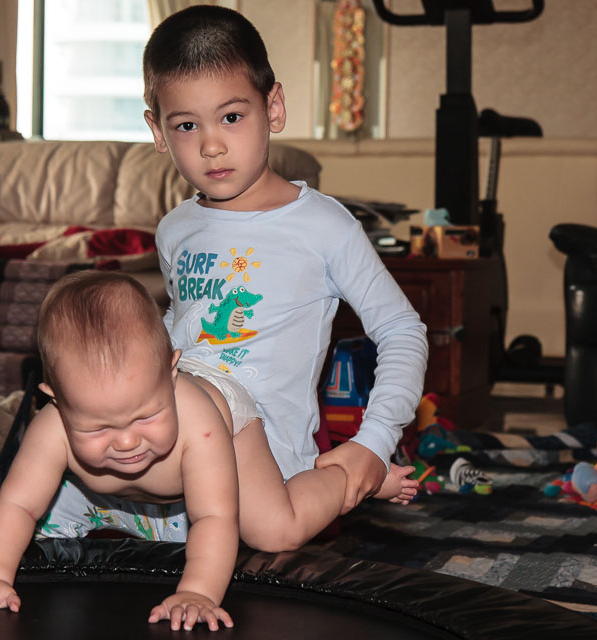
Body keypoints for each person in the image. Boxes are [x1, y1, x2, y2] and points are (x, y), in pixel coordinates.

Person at [0, 270, 415, 629]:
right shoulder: (51, 428)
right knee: (44, 532)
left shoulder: (197, 423)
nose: (127, 441)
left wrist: (198, 593)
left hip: (224, 414)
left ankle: (354, 477)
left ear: (171, 372)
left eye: (145, 417)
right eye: (98, 426)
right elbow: (15, 505)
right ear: (55, 401)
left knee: (274, 528)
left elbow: (213, 518)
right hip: (125, 473)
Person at [143, 4, 429, 536]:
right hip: (178, 445)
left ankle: (345, 482)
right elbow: (181, 324)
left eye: (232, 117)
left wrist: (373, 442)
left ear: (273, 107)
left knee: (266, 531)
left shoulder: (323, 226)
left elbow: (402, 330)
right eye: (186, 125)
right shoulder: (174, 229)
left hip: (268, 472)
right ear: (158, 131)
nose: (211, 145)